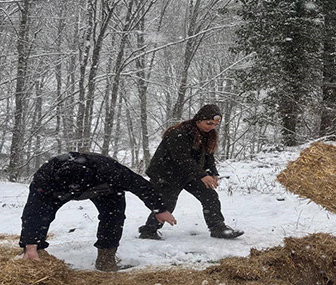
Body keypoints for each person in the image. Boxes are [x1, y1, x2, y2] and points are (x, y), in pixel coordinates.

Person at [20, 152, 177, 271]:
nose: (76, 192)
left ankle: (106, 258)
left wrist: (159, 209)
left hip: (103, 188)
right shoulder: (46, 177)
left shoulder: (110, 170)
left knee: (114, 215)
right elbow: (34, 213)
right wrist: (30, 244)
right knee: (42, 215)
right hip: (57, 190)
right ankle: (35, 255)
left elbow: (141, 186)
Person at [138, 104, 243, 240]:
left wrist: (212, 172)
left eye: (215, 124)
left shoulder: (207, 134)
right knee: (167, 203)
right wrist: (202, 175)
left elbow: (208, 155)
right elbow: (181, 158)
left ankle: (217, 227)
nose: (211, 127)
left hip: (189, 173)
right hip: (167, 174)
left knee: (209, 195)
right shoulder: (178, 133)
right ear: (198, 119)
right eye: (209, 123)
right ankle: (149, 230)